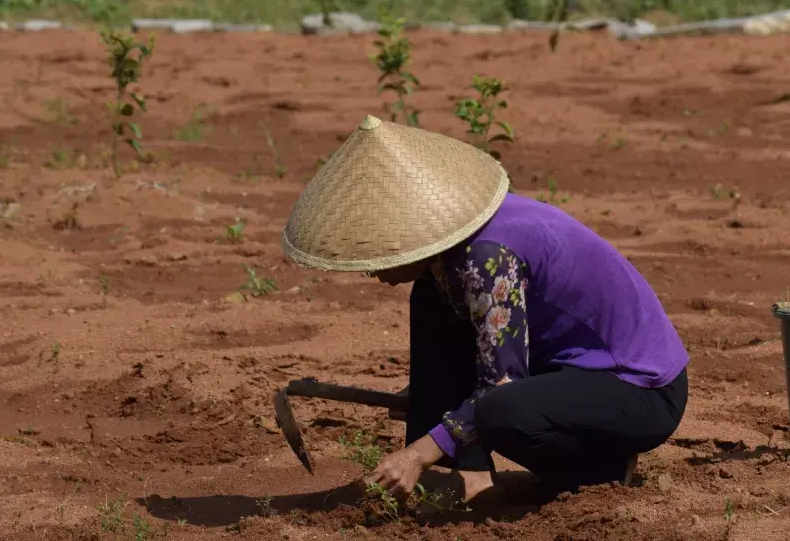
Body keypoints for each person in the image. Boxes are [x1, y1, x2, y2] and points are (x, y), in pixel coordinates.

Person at [281, 115, 690, 504]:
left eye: (380, 252)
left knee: (501, 411)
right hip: (567, 366)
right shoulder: (452, 259)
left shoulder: (486, 258)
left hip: (639, 390)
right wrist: (433, 399)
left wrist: (421, 451)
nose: (371, 269)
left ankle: (598, 471)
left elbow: (502, 385)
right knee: (430, 301)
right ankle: (463, 472)